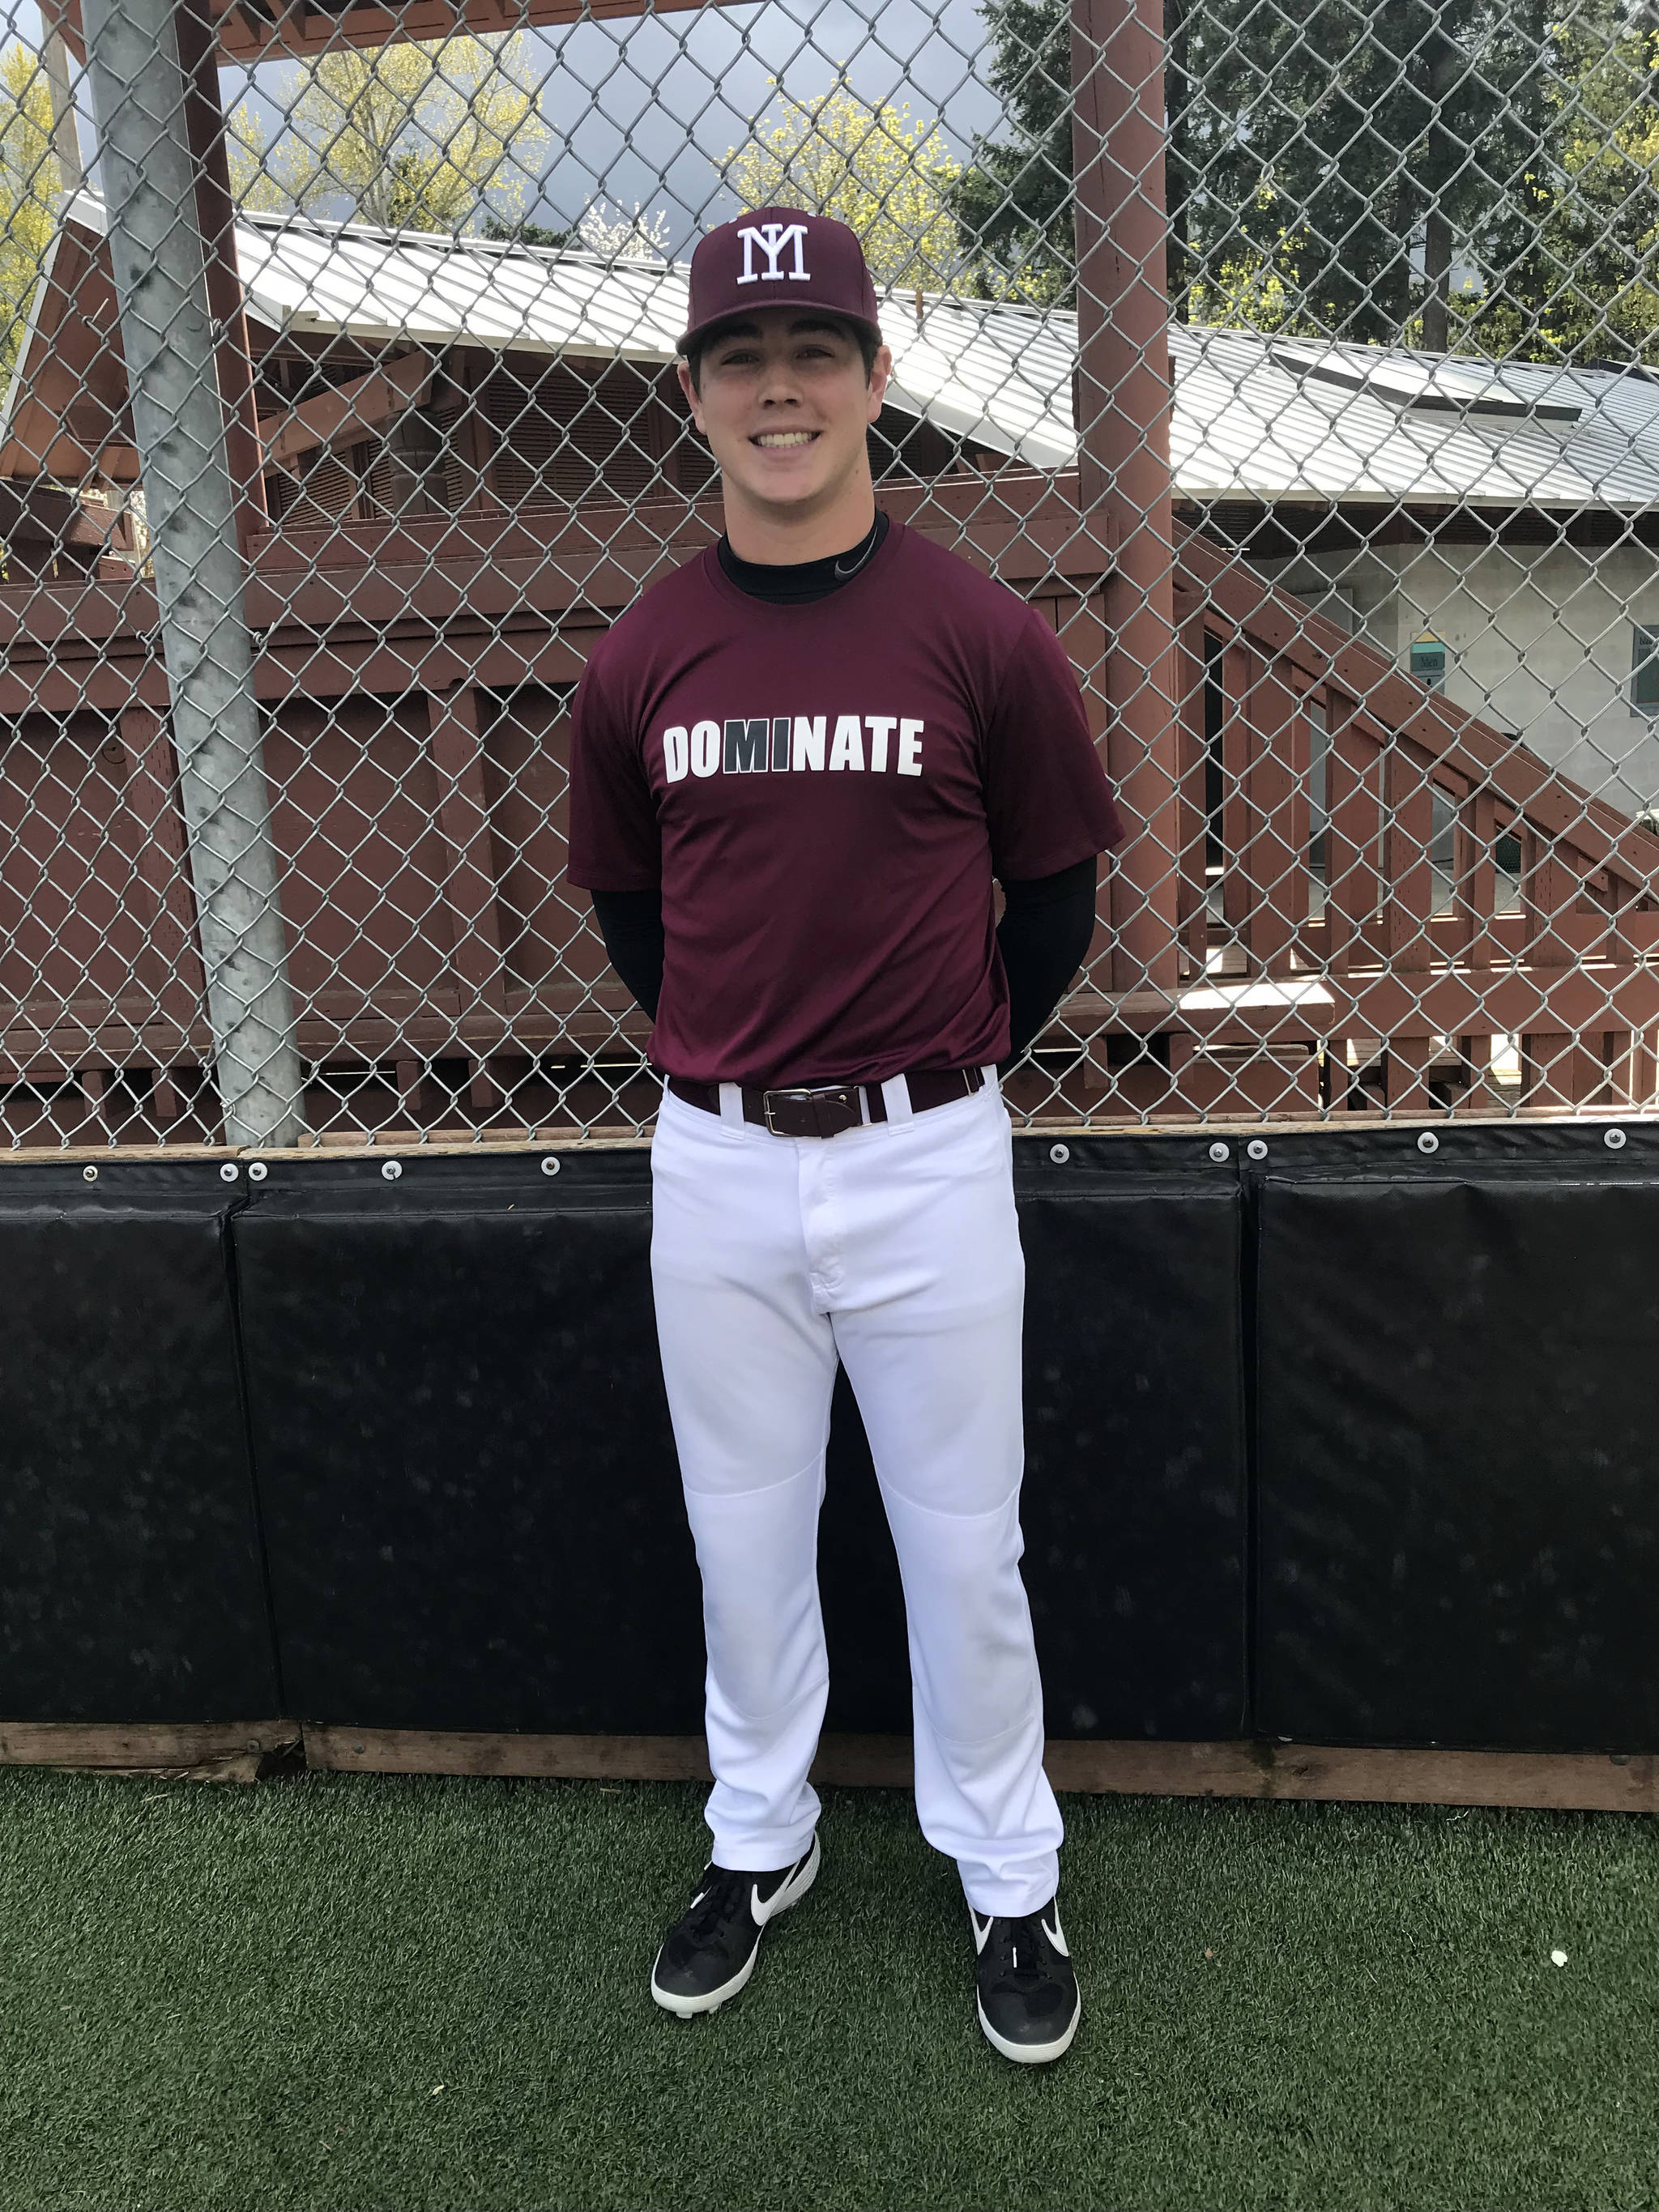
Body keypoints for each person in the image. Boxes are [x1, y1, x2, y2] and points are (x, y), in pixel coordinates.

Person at [565, 206, 1123, 2065]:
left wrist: (933, 1066)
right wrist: (740, 1061)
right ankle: (760, 1838)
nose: (779, 387)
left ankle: (1005, 1867)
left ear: (879, 379)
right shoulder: (643, 654)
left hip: (926, 1148)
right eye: (742, 357)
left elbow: (1048, 899)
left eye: (815, 352)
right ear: (696, 398)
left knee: (963, 1545)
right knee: (742, 1534)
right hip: (715, 1154)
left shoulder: (976, 628)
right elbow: (637, 918)